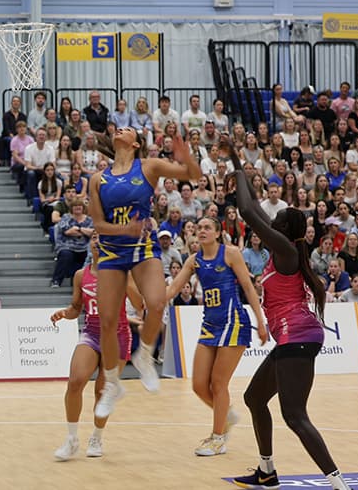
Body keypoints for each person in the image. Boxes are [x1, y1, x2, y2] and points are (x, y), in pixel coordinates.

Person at [224, 138, 352, 490]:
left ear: (283, 228)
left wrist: (236, 173)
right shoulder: (284, 244)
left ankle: (340, 484)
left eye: (277, 216)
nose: (272, 214)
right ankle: (267, 472)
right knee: (254, 398)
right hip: (293, 337)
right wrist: (236, 160)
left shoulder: (283, 247)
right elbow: (257, 211)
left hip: (297, 336)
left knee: (295, 415)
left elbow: (249, 213)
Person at [90, 124, 201, 419]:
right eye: (119, 128)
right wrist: (123, 229)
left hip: (143, 248)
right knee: (108, 321)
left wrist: (184, 155)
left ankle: (145, 355)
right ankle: (112, 384)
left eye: (127, 129)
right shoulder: (98, 179)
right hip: (112, 251)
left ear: (136, 143)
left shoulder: (149, 166)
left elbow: (194, 175)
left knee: (156, 303)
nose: (120, 130)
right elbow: (98, 226)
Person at [165, 217, 267, 456]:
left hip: (233, 322)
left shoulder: (230, 254)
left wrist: (260, 321)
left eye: (206, 227)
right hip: (210, 324)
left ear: (218, 233)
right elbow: (171, 290)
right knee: (199, 385)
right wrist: (146, 293)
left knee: (218, 383)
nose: (201, 231)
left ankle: (218, 438)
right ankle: (226, 416)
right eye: (198, 228)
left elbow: (248, 288)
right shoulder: (194, 260)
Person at [50, 234, 138, 461]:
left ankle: (97, 437)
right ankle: (71, 439)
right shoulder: (81, 275)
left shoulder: (121, 273)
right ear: (91, 243)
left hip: (117, 336)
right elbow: (75, 307)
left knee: (102, 391)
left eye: (104, 239)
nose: (98, 242)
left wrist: (129, 279)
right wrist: (64, 314)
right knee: (76, 380)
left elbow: (140, 305)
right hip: (91, 333)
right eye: (95, 238)